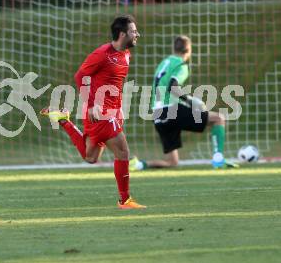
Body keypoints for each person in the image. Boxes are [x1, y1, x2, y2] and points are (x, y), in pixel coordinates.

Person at [41, 15, 146, 209]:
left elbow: (115, 84)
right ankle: (125, 200)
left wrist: (119, 106)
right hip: (99, 111)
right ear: (123, 34)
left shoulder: (126, 55)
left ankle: (63, 120)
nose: (137, 34)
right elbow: (80, 75)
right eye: (133, 31)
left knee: (91, 157)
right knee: (123, 152)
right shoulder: (102, 54)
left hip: (110, 111)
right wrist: (91, 105)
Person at [129, 35, 238, 170]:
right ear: (188, 50)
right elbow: (172, 86)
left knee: (172, 162)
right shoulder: (181, 65)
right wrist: (191, 101)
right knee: (218, 119)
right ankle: (218, 160)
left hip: (157, 115)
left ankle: (138, 165)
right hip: (170, 110)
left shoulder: (164, 63)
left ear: (173, 48)